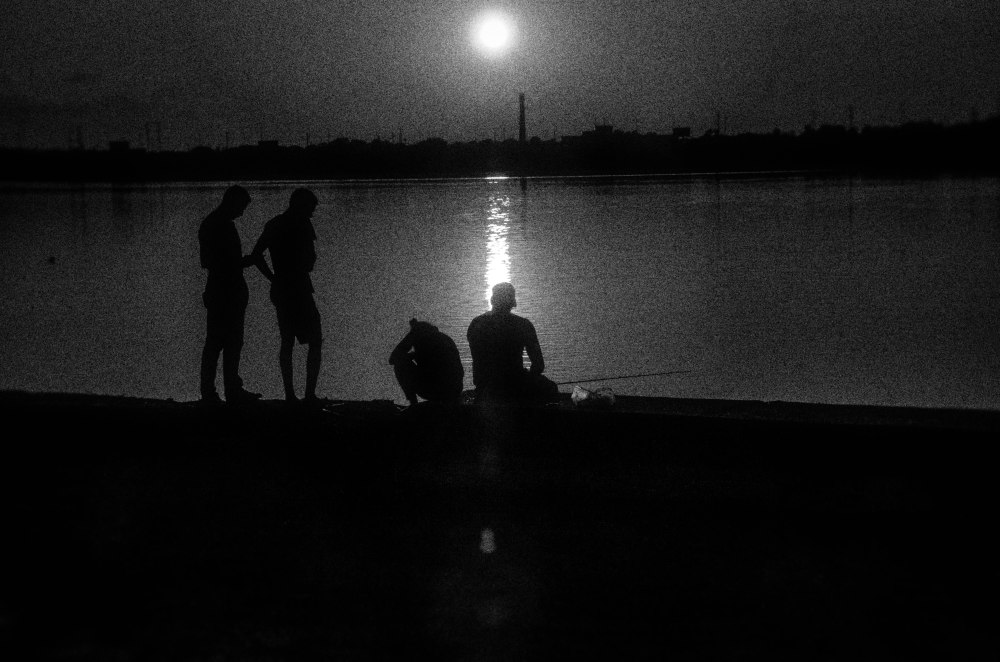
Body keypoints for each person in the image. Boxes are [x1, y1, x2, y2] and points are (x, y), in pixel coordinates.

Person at [249, 188, 325, 404]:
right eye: (311, 207)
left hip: (286, 287)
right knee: (310, 340)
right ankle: (303, 395)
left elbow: (256, 255)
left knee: (290, 341)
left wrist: (273, 278)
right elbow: (257, 256)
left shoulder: (276, 224)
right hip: (296, 287)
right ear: (300, 205)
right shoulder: (295, 224)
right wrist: (274, 278)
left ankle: (294, 395)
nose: (312, 212)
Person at [198, 185, 262, 405]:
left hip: (224, 289)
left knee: (228, 342)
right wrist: (244, 262)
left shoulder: (213, 224)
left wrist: (239, 263)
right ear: (232, 202)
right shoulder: (219, 226)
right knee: (220, 342)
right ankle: (216, 391)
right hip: (225, 290)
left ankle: (226, 390)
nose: (242, 212)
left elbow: (211, 261)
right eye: (242, 207)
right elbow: (214, 262)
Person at [466, 282, 558, 404]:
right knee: (551, 388)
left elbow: (477, 360)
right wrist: (528, 379)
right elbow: (538, 365)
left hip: (485, 387)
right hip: (515, 386)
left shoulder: (476, 324)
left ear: (492, 300)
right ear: (513, 302)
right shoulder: (524, 325)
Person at [389, 318, 465, 406]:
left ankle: (413, 404)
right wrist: (415, 354)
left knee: (400, 364)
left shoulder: (421, 337)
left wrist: (412, 347)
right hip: (455, 390)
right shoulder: (445, 338)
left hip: (436, 389)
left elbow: (393, 359)